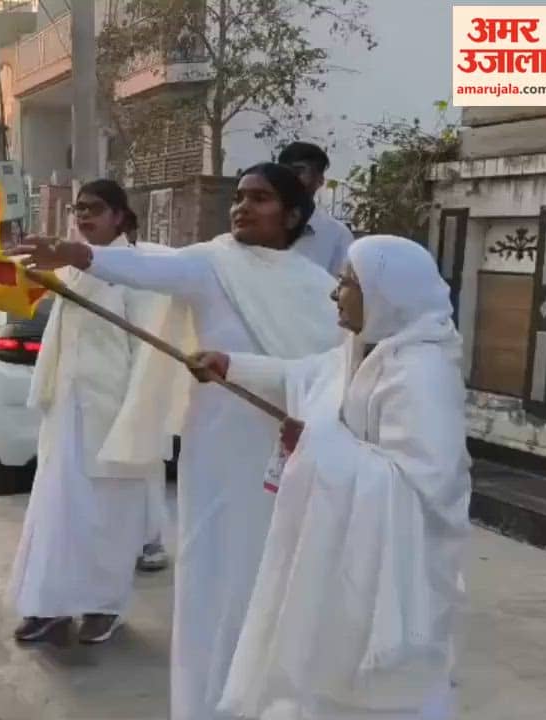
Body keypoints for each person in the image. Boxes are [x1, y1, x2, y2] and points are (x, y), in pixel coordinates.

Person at [14, 163, 344, 720]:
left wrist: (309, 412)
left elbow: (333, 369)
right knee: (215, 570)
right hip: (218, 446)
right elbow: (145, 268)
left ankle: (274, 696)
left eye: (259, 199)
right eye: (238, 197)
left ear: (292, 214)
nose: (241, 207)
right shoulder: (212, 264)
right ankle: (211, 700)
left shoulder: (318, 287)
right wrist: (77, 255)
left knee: (281, 568)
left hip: (288, 445)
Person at [189, 235, 469, 720]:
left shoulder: (422, 372)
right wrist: (231, 365)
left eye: (348, 284)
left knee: (376, 682)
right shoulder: (364, 349)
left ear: (388, 292)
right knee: (324, 657)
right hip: (343, 544)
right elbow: (302, 375)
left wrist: (318, 450)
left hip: (394, 562)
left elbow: (421, 485)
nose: (335, 294)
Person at [7, 179, 171, 646]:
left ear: (120, 216)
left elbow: (147, 353)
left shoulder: (137, 270)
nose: (83, 216)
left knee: (107, 517)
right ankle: (48, 606)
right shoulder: (74, 265)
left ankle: (104, 607)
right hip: (67, 410)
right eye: (78, 209)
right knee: (56, 512)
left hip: (115, 411)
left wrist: (139, 419)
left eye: (94, 209)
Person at [278, 142, 356, 277]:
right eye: (283, 171)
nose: (288, 178)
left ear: (320, 180)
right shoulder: (260, 225)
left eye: (298, 171)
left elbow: (344, 292)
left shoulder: (338, 236)